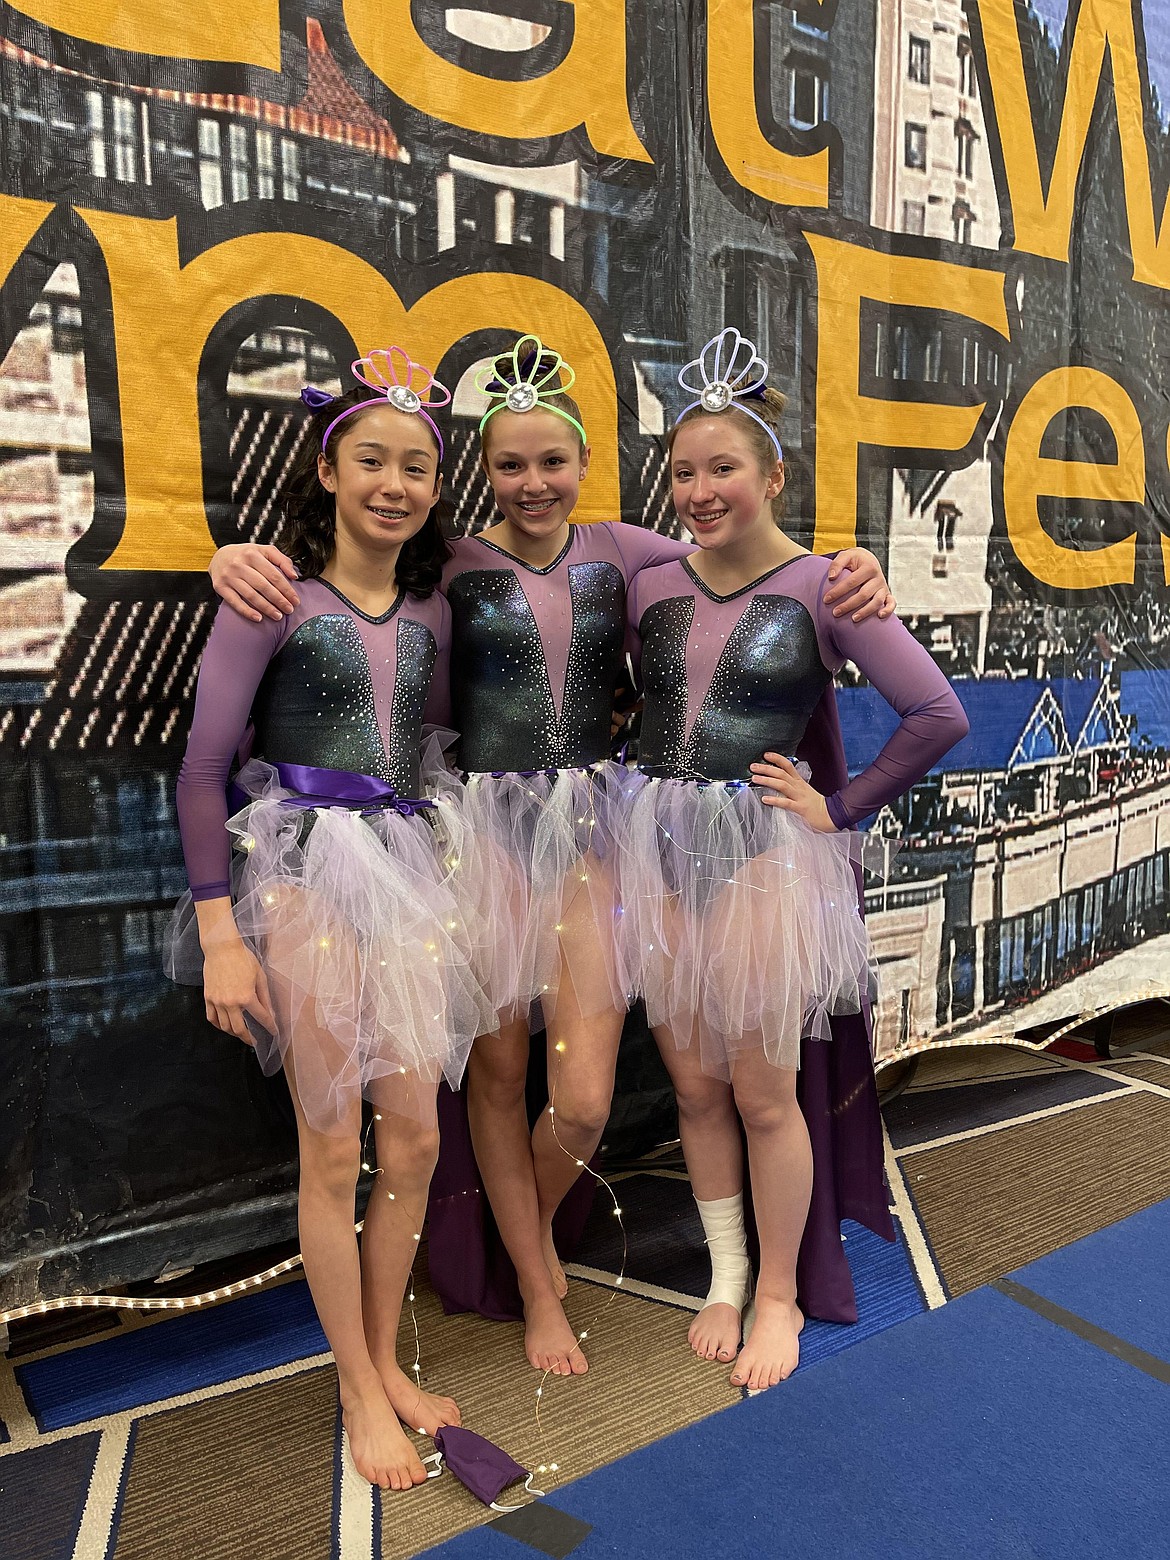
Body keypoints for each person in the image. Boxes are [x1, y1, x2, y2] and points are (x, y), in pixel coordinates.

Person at [207, 334, 895, 1378]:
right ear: (479, 474)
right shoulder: (449, 571)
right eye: (510, 464)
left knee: (578, 1095)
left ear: (585, 468)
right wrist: (232, 558)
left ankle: (495, 1226)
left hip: (590, 833)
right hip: (474, 842)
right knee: (495, 1072)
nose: (533, 483)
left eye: (553, 462)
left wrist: (851, 565)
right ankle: (534, 1286)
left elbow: (750, 569)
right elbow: (356, 618)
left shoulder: (626, 552)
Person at [620, 328, 969, 1389]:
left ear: (774, 473)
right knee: (692, 1085)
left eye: (724, 467)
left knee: (765, 1093)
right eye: (683, 471)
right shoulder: (645, 578)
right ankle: (727, 1273)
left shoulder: (827, 588)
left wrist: (841, 807)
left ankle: (778, 1294)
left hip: (767, 859)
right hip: (658, 843)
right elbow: (542, 548)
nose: (699, 490)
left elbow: (935, 713)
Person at [168, 349, 487, 1488]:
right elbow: (204, 770)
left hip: (406, 866)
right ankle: (357, 1383)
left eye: (417, 467)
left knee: (414, 1137)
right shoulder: (274, 602)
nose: (393, 484)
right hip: (301, 869)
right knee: (330, 1142)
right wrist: (218, 932)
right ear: (328, 468)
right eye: (371, 462)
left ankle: (384, 1354)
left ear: (437, 490)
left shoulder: (434, 617)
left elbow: (438, 733)